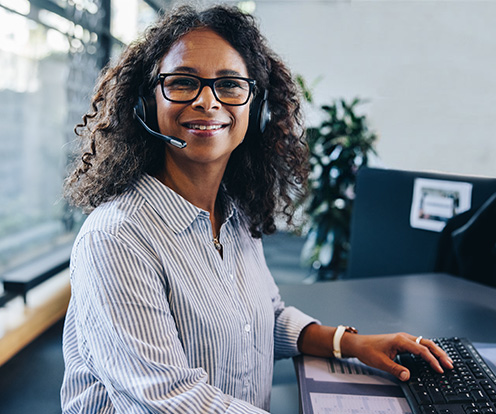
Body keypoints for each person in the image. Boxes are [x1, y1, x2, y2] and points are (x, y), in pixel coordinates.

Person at [61, 4, 453, 413]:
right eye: (182, 82)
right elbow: (170, 400)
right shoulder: (117, 239)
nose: (207, 102)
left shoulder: (233, 214)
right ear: (146, 104)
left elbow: (263, 319)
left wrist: (351, 343)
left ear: (257, 109)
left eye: (229, 85)